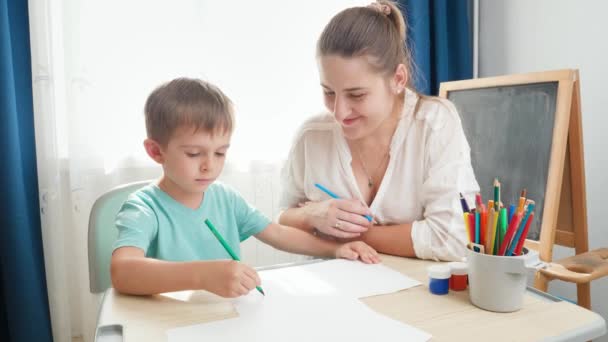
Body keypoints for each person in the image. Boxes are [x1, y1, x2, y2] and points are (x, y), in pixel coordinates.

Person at [110, 78, 380, 297]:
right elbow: (122, 272)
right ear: (156, 152)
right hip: (170, 324)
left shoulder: (225, 198)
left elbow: (277, 233)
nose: (209, 166)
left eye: (220, 153)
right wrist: (203, 276)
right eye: (194, 154)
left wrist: (333, 250)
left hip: (226, 319)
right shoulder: (143, 208)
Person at [278, 1, 479, 261]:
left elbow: (453, 238)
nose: (339, 112)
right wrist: (310, 215)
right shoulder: (312, 136)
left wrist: (342, 232)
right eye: (328, 92)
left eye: (356, 95)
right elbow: (282, 219)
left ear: (398, 80)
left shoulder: (434, 123)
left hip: (415, 293)